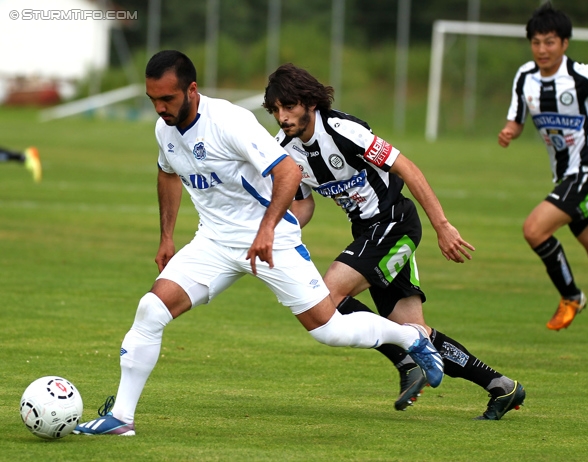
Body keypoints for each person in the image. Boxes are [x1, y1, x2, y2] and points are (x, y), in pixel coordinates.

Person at [74, 50, 445, 436]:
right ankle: (121, 418)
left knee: (328, 329)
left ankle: (411, 338)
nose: (159, 108)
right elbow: (167, 172)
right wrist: (166, 237)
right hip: (214, 242)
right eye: (153, 100)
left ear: (192, 89)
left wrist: (267, 228)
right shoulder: (164, 130)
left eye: (167, 99)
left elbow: (287, 171)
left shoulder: (230, 121)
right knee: (150, 310)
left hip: (271, 240)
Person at [263, 63, 525, 420]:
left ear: (309, 102)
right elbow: (304, 202)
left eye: (288, 106)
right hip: (368, 233)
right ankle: (501, 386)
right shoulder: (286, 150)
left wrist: (443, 226)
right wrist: (282, 230)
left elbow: (408, 168)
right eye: (276, 109)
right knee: (415, 330)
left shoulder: (343, 130)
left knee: (324, 301)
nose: (282, 116)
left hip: (394, 223)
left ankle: (404, 361)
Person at [498, 2, 588, 330]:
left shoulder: (581, 75)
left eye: (550, 42)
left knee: (534, 229)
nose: (542, 49)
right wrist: (510, 131)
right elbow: (516, 120)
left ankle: (572, 296)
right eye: (536, 42)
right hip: (566, 176)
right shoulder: (525, 77)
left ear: (564, 43)